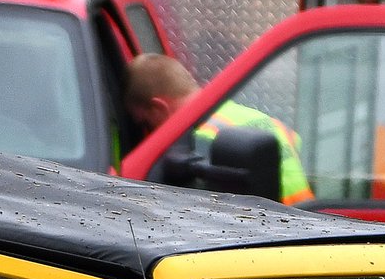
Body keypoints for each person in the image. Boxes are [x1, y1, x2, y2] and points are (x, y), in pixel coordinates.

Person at [123, 53, 315, 205]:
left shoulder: (198, 142)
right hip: (308, 230)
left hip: (273, 239)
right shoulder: (261, 119)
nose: (146, 134)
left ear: (158, 108)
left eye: (145, 124)